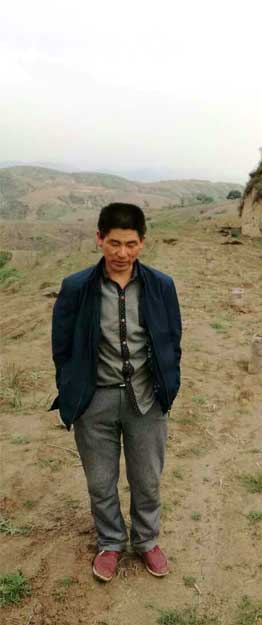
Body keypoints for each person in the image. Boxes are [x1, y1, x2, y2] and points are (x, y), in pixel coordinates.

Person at [50, 203, 182, 582]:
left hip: (147, 399)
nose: (122, 253)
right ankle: (110, 542)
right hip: (95, 401)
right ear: (99, 239)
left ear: (143, 242)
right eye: (114, 243)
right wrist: (73, 391)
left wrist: (168, 385)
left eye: (130, 244)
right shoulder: (77, 288)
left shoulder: (161, 286)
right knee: (100, 481)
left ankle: (146, 540)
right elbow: (62, 347)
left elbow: (172, 340)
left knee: (147, 479)